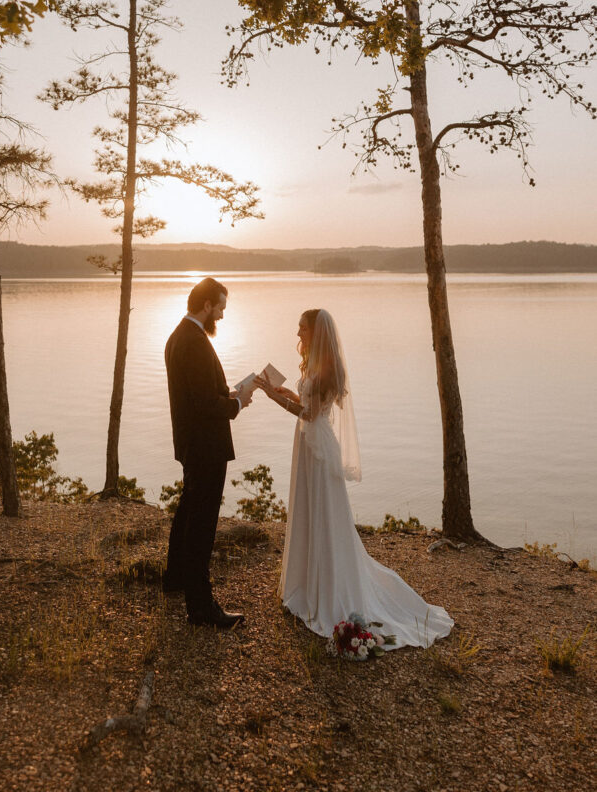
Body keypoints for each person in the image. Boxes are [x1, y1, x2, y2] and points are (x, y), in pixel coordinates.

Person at [254, 308, 454, 647]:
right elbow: (303, 400)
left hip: (317, 450)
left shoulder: (329, 369)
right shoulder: (315, 365)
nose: (297, 334)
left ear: (316, 333)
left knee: (324, 516)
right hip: (307, 443)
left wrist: (271, 396)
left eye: (302, 329)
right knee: (308, 511)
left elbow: (310, 412)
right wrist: (279, 389)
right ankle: (305, 581)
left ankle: (327, 587)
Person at [163, 277, 251, 629]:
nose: (223, 316)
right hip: (204, 445)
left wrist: (227, 393)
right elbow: (203, 403)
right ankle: (200, 606)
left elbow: (196, 391)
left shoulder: (178, 336)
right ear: (206, 306)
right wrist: (237, 402)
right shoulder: (194, 342)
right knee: (202, 523)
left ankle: (175, 578)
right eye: (221, 308)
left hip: (190, 442)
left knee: (187, 511)